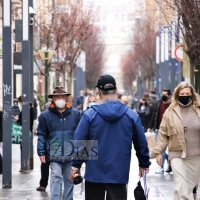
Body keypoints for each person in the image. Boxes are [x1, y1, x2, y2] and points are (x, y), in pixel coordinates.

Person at [70, 74, 151, 200]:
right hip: (119, 173)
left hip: (94, 174)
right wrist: (143, 163)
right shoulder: (130, 115)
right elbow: (140, 142)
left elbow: (80, 142)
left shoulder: (89, 115)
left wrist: (76, 166)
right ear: (116, 90)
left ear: (98, 91)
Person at [151, 82, 200, 200]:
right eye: (182, 93)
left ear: (192, 95)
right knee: (181, 186)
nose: (185, 95)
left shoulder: (198, 110)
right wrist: (158, 152)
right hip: (176, 154)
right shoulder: (170, 112)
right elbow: (163, 134)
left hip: (196, 155)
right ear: (177, 95)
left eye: (187, 93)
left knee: (190, 187)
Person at [37, 86, 81, 200]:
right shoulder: (45, 115)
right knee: (56, 177)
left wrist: (81, 154)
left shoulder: (76, 114)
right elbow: (41, 134)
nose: (60, 99)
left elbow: (81, 134)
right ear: (53, 99)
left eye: (62, 96)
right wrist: (41, 151)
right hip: (53, 152)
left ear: (66, 98)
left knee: (68, 179)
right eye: (57, 97)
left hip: (70, 153)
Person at [148, 89, 172, 174]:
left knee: (171, 149)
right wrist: (150, 127)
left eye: (165, 94)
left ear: (169, 95)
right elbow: (155, 115)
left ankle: (170, 165)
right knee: (161, 150)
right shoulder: (159, 104)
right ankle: (162, 167)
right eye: (162, 94)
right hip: (160, 130)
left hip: (170, 130)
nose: (163, 96)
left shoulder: (172, 105)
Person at [14, 95, 34, 173]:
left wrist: (17, 119)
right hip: (29, 130)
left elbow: (22, 120)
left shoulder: (25, 109)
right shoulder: (31, 108)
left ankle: (24, 166)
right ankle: (26, 165)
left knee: (23, 149)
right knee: (26, 148)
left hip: (24, 130)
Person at [36, 102, 51, 192]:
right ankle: (43, 184)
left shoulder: (44, 113)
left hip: (48, 145)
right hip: (49, 144)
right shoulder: (45, 114)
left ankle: (43, 184)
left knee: (45, 166)